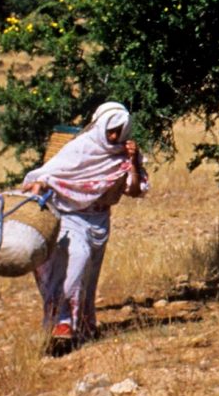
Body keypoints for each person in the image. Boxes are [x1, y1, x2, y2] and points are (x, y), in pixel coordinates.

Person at [19, 101, 144, 349]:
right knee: (77, 259)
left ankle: (82, 328)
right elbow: (48, 174)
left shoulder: (124, 155)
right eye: (110, 129)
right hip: (69, 216)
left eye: (119, 130)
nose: (114, 136)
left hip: (99, 222)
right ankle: (61, 321)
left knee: (88, 277)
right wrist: (38, 190)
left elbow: (135, 190)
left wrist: (134, 163)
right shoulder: (80, 148)